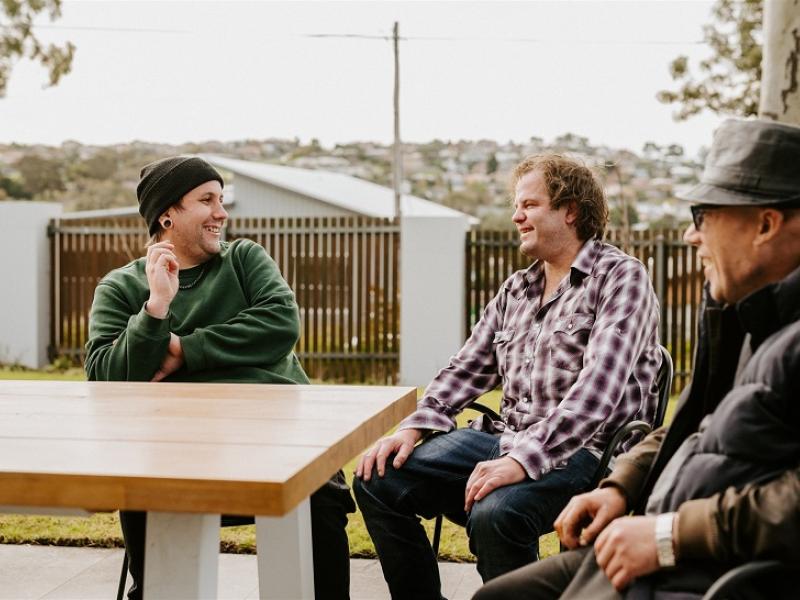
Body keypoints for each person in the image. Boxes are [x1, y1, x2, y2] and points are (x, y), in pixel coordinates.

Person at [473, 118, 800, 600]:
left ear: (766, 225)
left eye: (702, 216)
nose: (691, 237)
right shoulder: (751, 319)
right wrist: (621, 486)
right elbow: (693, 423)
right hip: (660, 544)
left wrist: (668, 536)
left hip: (707, 573)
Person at [353, 153, 662, 599]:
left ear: (570, 210)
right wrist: (416, 426)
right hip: (505, 437)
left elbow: (598, 395)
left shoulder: (621, 278)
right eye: (517, 206)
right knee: (377, 477)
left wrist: (522, 460)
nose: (516, 216)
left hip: (588, 451)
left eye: (530, 205)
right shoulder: (517, 289)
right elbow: (467, 366)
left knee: (496, 512)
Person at [84, 156, 354, 600]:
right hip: (177, 453)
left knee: (317, 496)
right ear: (166, 214)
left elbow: (280, 323)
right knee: (146, 497)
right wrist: (155, 309)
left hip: (277, 442)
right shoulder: (121, 287)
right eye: (206, 200)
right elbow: (106, 380)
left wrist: (182, 350)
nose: (221, 213)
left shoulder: (244, 259)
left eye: (221, 199)